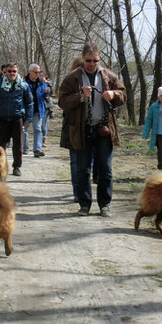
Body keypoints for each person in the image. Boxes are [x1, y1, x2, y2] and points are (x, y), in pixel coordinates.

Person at [58, 43, 126, 217]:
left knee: (105, 168)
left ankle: (105, 205)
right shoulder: (72, 78)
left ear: (99, 59)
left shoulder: (108, 75)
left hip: (103, 129)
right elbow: (62, 102)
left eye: (95, 60)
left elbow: (123, 94)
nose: (91, 64)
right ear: (82, 59)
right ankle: (84, 205)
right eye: (88, 60)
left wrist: (113, 95)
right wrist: (80, 96)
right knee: (83, 169)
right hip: (82, 129)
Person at [0, 62, 33, 176]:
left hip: (17, 118)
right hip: (3, 118)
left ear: (17, 72)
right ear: (5, 72)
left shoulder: (23, 85)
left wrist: (29, 117)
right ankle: (0, 166)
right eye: (9, 71)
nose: (12, 73)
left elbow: (29, 102)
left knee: (18, 146)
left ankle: (16, 166)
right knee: (1, 146)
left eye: (14, 71)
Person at [60, 56, 83, 202]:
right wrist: (80, 97)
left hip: (88, 128)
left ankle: (83, 190)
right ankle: (77, 191)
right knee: (75, 160)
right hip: (73, 127)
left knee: (87, 161)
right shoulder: (69, 81)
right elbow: (63, 103)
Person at [23, 63, 49, 157]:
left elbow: (46, 96)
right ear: (30, 72)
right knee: (24, 129)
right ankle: (25, 148)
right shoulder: (23, 82)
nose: (37, 74)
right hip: (26, 110)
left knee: (38, 129)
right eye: (35, 72)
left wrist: (47, 94)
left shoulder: (42, 83)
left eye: (39, 72)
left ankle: (37, 149)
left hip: (38, 109)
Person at [41, 71, 53, 148]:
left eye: (42, 75)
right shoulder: (36, 84)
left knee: (43, 125)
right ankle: (39, 140)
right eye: (39, 75)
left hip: (46, 107)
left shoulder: (48, 84)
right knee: (39, 126)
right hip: (38, 107)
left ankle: (43, 140)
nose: (40, 77)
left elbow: (50, 93)